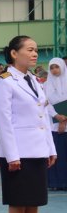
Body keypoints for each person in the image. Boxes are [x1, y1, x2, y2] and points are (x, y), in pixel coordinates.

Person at [0, 36, 58, 213]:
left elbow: (43, 116)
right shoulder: (5, 82)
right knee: (18, 201)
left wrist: (50, 148)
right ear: (13, 53)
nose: (34, 54)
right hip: (18, 151)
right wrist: (12, 155)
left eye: (36, 50)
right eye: (29, 49)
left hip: (37, 149)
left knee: (34, 201)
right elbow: (3, 121)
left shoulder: (33, 80)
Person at [45, 58, 67, 190]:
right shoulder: (46, 84)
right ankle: (55, 183)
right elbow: (45, 103)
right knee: (56, 155)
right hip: (52, 126)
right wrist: (57, 116)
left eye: (57, 67)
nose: (54, 70)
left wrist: (64, 121)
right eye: (52, 67)